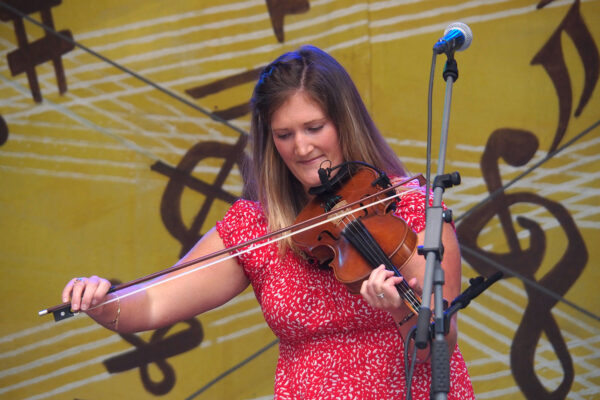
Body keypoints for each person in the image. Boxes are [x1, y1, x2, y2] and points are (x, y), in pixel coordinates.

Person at [63, 45, 475, 399]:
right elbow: (153, 301)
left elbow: (436, 343)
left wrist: (398, 309)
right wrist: (103, 300)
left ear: (344, 122)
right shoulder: (256, 226)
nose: (301, 147)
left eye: (314, 127)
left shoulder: (411, 208)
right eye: (284, 135)